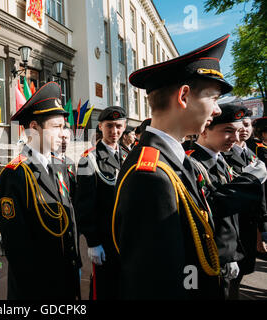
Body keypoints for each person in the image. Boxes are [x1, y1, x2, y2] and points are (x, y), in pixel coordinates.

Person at [112, 34, 236, 300]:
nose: (216, 111)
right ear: (184, 96)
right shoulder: (152, 175)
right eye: (213, 98)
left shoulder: (175, 160)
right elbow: (155, 284)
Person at [0, 82, 81, 300]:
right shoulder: (16, 174)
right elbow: (18, 249)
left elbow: (69, 221)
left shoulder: (60, 166)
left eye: (64, 126)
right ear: (34, 127)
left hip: (66, 281)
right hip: (39, 291)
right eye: (57, 127)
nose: (64, 134)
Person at [187, 103, 267, 299]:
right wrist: (248, 181)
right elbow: (209, 209)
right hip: (209, 257)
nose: (236, 137)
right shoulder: (191, 162)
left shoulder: (220, 159)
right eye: (228, 131)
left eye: (238, 131)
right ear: (205, 129)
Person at [75, 106, 126, 300]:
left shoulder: (128, 155)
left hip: (125, 238)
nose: (114, 131)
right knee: (104, 290)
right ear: (100, 127)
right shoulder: (88, 159)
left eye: (119, 126)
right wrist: (93, 242)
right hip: (104, 240)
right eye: (110, 126)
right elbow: (84, 205)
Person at [221, 107, 267, 299]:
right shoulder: (223, 154)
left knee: (244, 270)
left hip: (250, 224)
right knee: (230, 278)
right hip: (233, 224)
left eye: (247, 125)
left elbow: (261, 195)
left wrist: (262, 228)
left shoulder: (253, 154)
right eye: (241, 126)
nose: (244, 130)